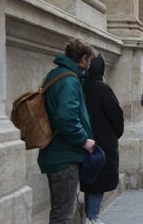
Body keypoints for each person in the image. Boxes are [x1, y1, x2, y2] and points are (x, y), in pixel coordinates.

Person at [37, 39, 97, 224]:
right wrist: (84, 141)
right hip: (64, 156)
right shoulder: (69, 80)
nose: (89, 66)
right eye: (89, 61)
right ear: (84, 58)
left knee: (60, 211)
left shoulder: (57, 75)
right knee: (62, 215)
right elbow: (66, 118)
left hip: (58, 153)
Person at [82, 55, 124, 223]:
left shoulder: (82, 86)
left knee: (89, 179)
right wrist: (116, 134)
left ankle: (89, 215)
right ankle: (92, 216)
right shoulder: (103, 89)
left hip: (86, 141)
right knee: (98, 181)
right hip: (103, 143)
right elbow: (116, 116)